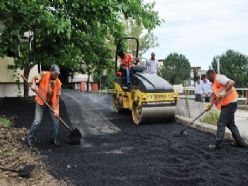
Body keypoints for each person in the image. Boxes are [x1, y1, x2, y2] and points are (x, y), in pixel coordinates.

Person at [206, 69, 245, 149]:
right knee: (231, 124)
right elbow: (214, 95)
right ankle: (240, 142)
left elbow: (231, 82)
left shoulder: (219, 78)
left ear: (211, 74)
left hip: (230, 103)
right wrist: (209, 104)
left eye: (208, 77)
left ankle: (218, 144)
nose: (208, 79)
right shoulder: (214, 83)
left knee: (221, 123)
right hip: (226, 104)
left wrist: (224, 91)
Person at [26, 64, 62, 147]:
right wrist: (34, 85)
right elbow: (34, 78)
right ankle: (30, 138)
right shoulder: (44, 74)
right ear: (51, 72)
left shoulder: (59, 83)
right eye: (55, 73)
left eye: (58, 73)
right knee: (37, 121)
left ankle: (54, 138)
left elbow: (57, 98)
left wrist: (56, 110)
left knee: (56, 119)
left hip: (51, 102)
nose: (56, 75)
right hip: (41, 100)